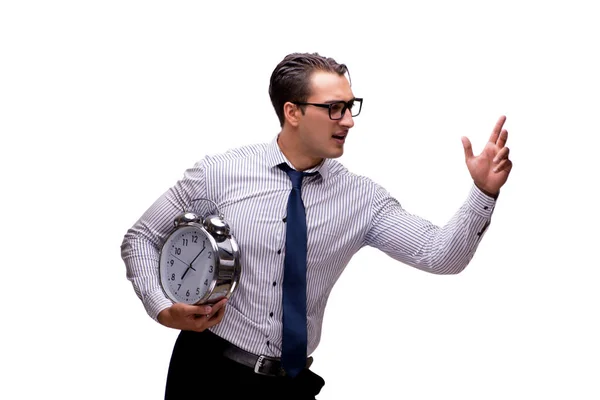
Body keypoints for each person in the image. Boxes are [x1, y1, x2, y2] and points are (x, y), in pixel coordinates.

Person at [120, 52, 512, 399]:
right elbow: (141, 237)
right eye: (334, 108)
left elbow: (439, 255)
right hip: (207, 373)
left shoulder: (360, 198)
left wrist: (482, 193)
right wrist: (162, 308)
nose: (348, 121)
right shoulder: (220, 173)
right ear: (293, 112)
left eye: (351, 106)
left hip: (291, 385)